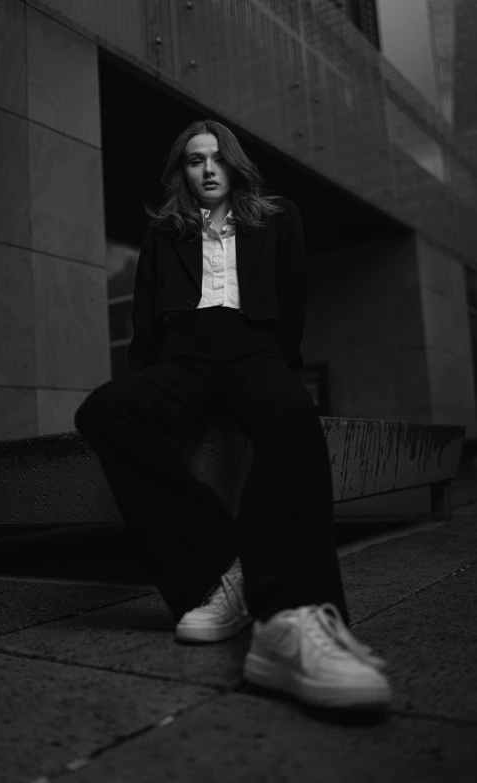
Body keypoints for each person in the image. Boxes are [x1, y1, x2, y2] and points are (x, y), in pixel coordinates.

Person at [74, 119, 391, 712]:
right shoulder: (163, 232)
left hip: (254, 350)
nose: (209, 169)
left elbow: (293, 302)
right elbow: (145, 319)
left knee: (292, 415)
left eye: (218, 158)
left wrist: (279, 370)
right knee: (106, 411)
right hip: (183, 358)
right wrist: (147, 382)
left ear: (235, 164)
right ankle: (220, 573)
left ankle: (292, 615)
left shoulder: (277, 217)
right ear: (183, 172)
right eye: (195, 161)